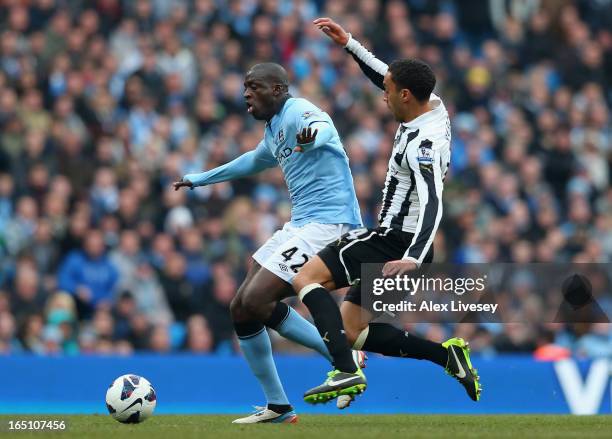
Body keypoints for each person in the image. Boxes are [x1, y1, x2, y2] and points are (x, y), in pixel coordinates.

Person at [291, 18, 482, 408]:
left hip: (395, 242)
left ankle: (345, 369)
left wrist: (411, 256)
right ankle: (447, 356)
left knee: (306, 279)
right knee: (352, 328)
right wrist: (350, 44)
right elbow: (387, 76)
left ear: (407, 96)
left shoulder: (422, 145)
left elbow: (433, 201)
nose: (384, 96)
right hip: (409, 247)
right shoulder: (433, 105)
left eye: (390, 92)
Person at [173, 62, 365, 424]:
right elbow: (251, 162)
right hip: (301, 224)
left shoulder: (297, 111)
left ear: (277, 89)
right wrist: (200, 179)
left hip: (330, 224)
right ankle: (278, 406)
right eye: (245, 87)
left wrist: (312, 135)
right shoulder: (274, 129)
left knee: (258, 299)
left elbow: (323, 126)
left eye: (255, 86)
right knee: (241, 307)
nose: (246, 93)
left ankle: (341, 356)